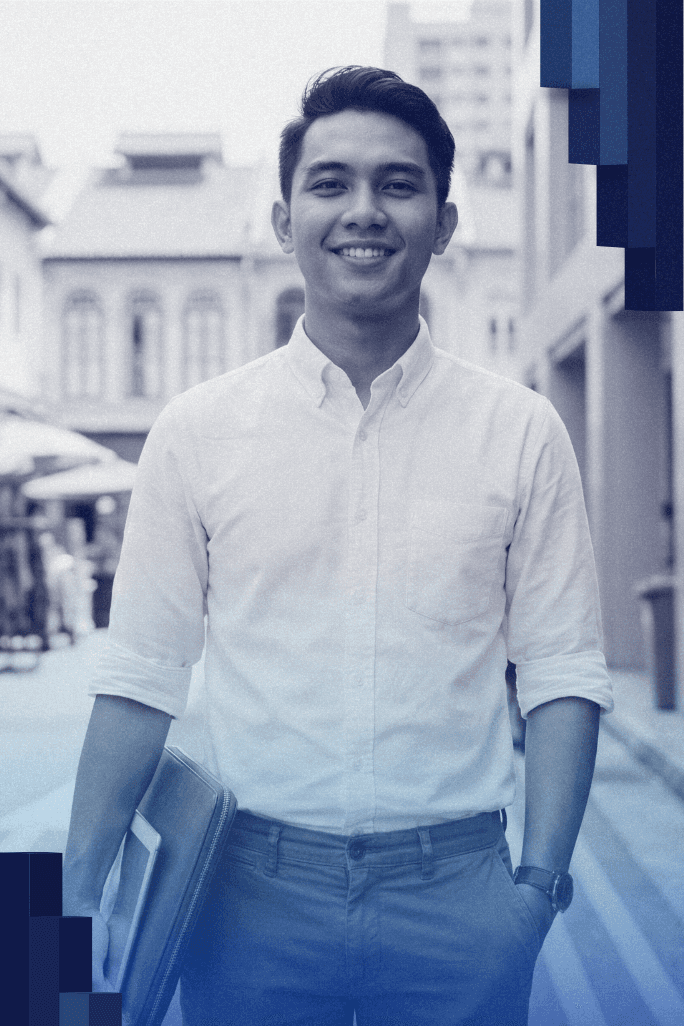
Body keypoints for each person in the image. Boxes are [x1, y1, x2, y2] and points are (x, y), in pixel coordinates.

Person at [63, 66, 613, 1025]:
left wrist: (535, 891)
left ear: (444, 223)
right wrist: (65, 917)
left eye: (399, 184)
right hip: (242, 897)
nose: (364, 210)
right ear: (285, 221)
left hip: (460, 902)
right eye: (330, 183)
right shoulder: (196, 432)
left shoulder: (521, 431)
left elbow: (563, 670)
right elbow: (141, 679)